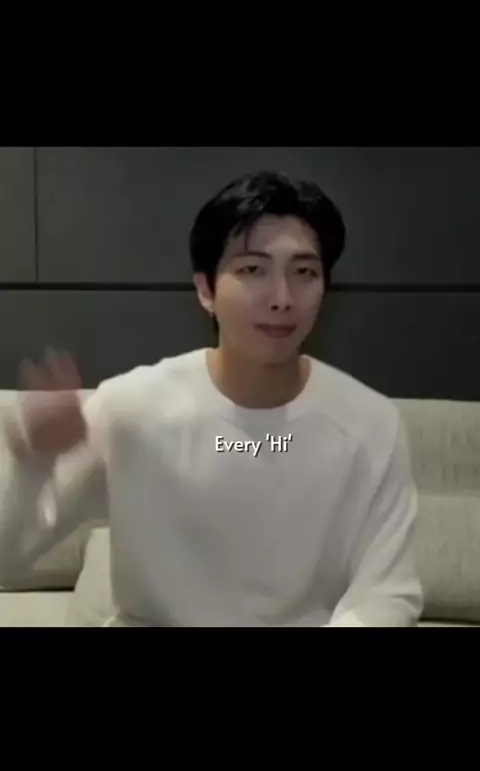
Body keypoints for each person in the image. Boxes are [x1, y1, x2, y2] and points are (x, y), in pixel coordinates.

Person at [0, 170, 423, 626]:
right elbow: (8, 560)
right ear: (206, 289)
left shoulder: (370, 424)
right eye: (253, 270)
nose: (282, 297)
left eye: (304, 272)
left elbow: (387, 593)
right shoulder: (130, 408)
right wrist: (32, 464)